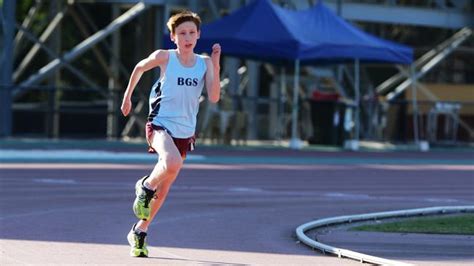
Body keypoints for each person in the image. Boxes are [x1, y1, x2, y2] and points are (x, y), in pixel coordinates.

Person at [120, 10, 221, 257]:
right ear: (173, 37)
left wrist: (216, 66)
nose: (187, 37)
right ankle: (145, 185)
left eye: (192, 33)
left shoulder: (204, 63)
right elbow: (139, 67)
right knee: (171, 162)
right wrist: (127, 97)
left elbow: (214, 96)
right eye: (182, 33)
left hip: (185, 131)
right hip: (160, 123)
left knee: (164, 190)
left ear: (198, 36)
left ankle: (140, 231)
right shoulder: (165, 57)